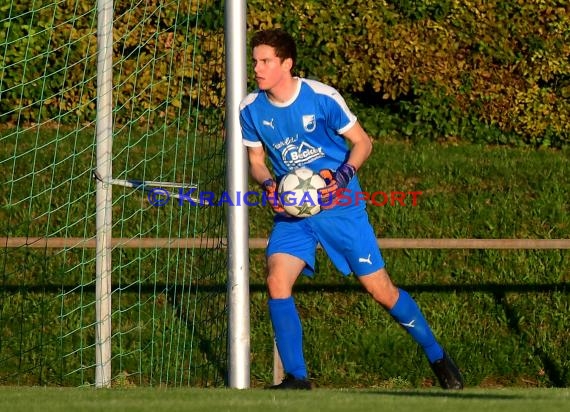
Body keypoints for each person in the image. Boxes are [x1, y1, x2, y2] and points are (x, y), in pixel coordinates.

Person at [239, 28, 464, 390]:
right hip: (294, 213)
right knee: (276, 280)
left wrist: (342, 176)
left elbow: (363, 142)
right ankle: (297, 378)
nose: (258, 68)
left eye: (265, 61)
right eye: (255, 61)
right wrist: (268, 185)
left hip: (340, 205)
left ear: (286, 63)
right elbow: (256, 160)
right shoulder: (250, 108)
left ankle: (436, 354)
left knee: (380, 290)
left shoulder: (322, 98)